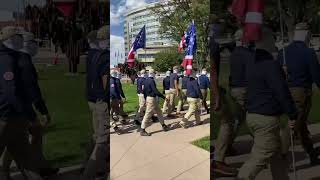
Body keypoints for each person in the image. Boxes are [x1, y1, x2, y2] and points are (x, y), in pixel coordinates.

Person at [237, 27, 297, 180]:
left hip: (253, 114)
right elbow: (281, 91)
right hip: (265, 118)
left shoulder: (253, 63)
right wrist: (292, 114)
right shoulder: (270, 64)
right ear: (267, 41)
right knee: (260, 157)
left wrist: (279, 73)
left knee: (276, 155)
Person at [2, 30, 59, 179]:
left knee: (21, 152)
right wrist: (34, 113)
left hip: (15, 114)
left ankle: (6, 171)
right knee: (25, 153)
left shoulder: (14, 58)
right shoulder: (17, 60)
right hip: (13, 113)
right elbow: (25, 91)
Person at [0, 26, 43, 180]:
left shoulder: (12, 58)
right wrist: (30, 115)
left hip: (10, 117)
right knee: (26, 163)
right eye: (16, 38)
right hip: (9, 116)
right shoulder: (8, 60)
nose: (19, 41)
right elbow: (12, 93)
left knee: (26, 161)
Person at [278, 23, 320, 165]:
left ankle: (312, 154)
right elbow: (317, 76)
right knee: (293, 126)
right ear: (307, 34)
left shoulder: (282, 52)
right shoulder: (308, 52)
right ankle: (280, 157)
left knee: (301, 126)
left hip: (285, 91)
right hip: (301, 92)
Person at [82, 26, 109, 180]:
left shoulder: (92, 55)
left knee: (97, 136)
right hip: (101, 102)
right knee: (102, 141)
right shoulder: (104, 57)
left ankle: (96, 169)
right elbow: (105, 81)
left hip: (92, 100)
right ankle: (88, 174)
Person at [140, 69, 170, 136]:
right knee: (148, 114)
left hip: (149, 98)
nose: (155, 75)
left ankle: (163, 125)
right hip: (151, 99)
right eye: (154, 73)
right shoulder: (151, 81)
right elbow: (155, 91)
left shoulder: (146, 80)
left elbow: (144, 91)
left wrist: (145, 99)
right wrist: (164, 97)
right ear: (152, 74)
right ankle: (142, 129)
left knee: (159, 112)